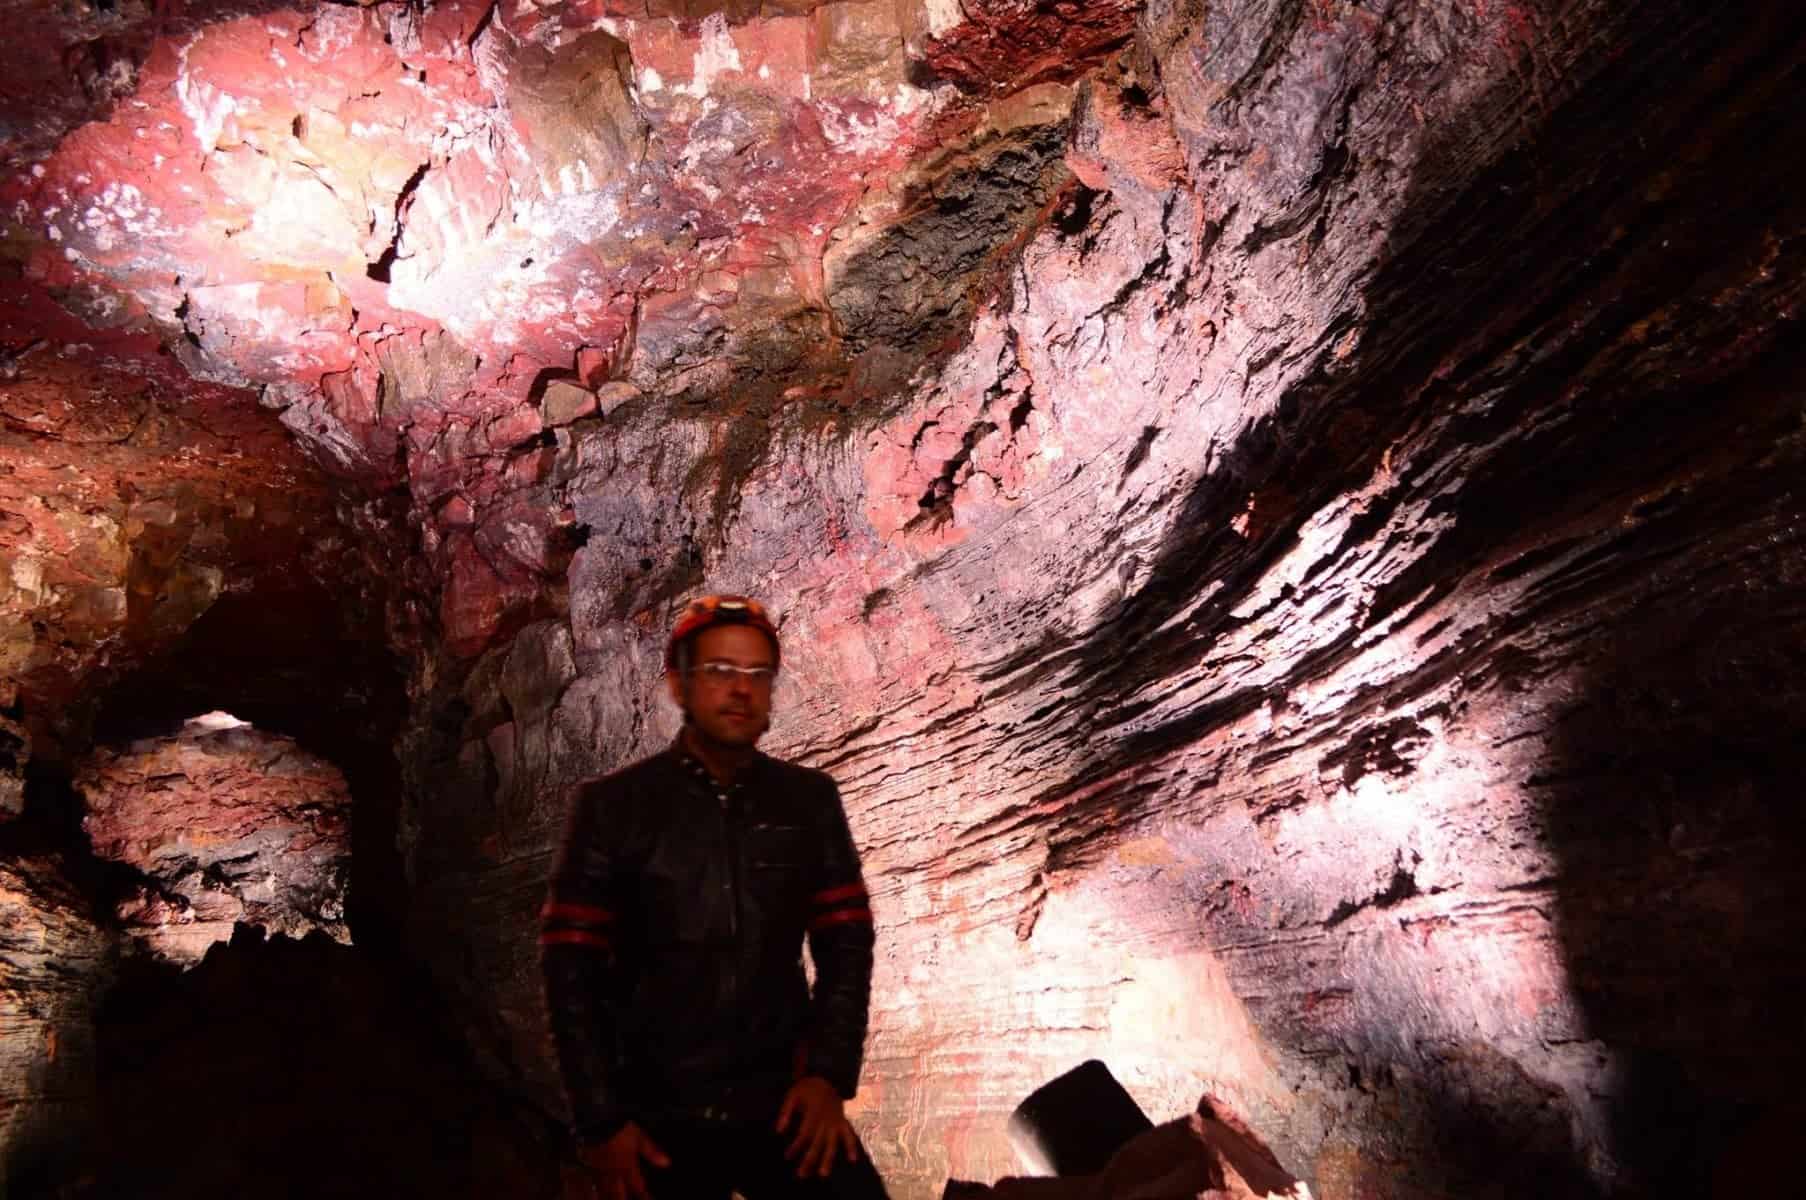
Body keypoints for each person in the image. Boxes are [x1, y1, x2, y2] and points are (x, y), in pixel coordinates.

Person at [541, 594, 887, 1200]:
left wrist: (828, 1077)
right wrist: (601, 1121)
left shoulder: (808, 801)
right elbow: (570, 969)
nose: (741, 689)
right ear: (679, 684)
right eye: (720, 670)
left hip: (782, 1102)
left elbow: (846, 943)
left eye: (758, 673)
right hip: (655, 1116)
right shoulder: (613, 807)